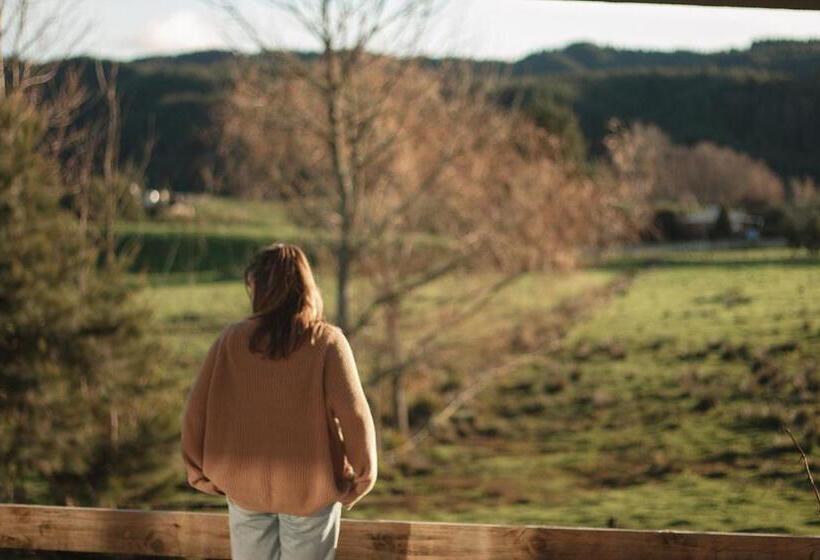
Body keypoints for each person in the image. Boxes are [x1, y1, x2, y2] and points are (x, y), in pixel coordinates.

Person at [181, 242, 378, 560]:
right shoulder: (326, 342)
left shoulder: (230, 340)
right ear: (306, 286)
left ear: (256, 285)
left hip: (245, 487)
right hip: (309, 489)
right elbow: (354, 415)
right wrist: (364, 477)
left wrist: (197, 471)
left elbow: (196, 409)